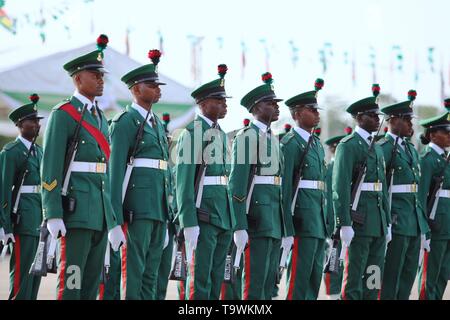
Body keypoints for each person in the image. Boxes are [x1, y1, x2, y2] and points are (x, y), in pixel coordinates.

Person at [40, 34, 125, 300]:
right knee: (73, 280)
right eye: (94, 75)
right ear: (78, 78)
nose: (101, 80)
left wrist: (112, 221)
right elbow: (51, 167)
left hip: (99, 214)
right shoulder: (63, 114)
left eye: (101, 75)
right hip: (76, 214)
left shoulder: (99, 117)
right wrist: (52, 211)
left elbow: (106, 174)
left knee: (91, 284)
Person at [175, 64, 235, 300]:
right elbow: (184, 182)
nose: (224, 105)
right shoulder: (192, 133)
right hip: (203, 215)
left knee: (215, 278)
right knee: (199, 279)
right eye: (219, 100)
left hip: (222, 215)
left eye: (224, 100)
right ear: (203, 103)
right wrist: (188, 221)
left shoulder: (220, 133)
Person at [228, 72, 286, 300]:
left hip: (273, 220)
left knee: (267, 285)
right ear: (256, 107)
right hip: (257, 219)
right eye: (271, 103)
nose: (276, 107)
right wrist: (239, 225)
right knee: (253, 284)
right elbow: (237, 184)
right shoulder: (246, 137)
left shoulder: (274, 138)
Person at [332, 84, 390, 300]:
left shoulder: (376, 146)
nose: (377, 119)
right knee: (354, 278)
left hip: (378, 223)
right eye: (373, 115)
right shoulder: (348, 146)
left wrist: (387, 221)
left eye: (378, 115)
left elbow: (382, 188)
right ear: (359, 117)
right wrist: (344, 223)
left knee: (373, 279)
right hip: (359, 222)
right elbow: (340, 188)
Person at [280, 79, 329, 300]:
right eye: (312, 110)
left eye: (317, 110)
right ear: (297, 114)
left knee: (313, 278)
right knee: (299, 279)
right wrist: (287, 226)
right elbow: (285, 188)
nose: (317, 115)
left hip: (317, 219)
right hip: (301, 219)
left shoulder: (317, 143)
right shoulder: (289, 144)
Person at [378, 90, 429, 300]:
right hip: (396, 219)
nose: (411, 124)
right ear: (392, 121)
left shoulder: (410, 149)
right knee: (391, 274)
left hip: (413, 220)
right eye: (407, 120)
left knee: (408, 275)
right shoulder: (383, 147)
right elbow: (381, 188)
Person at [0, 94, 44, 299]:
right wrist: (5, 225)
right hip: (22, 219)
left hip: (38, 219)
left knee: (36, 274)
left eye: (38, 121)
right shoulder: (11, 152)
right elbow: (3, 189)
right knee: (21, 275)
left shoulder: (40, 152)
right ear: (19, 124)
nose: (37, 125)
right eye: (32, 121)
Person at [417, 104, 450, 300]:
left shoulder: (446, 158)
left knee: (444, 273)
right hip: (435, 223)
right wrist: (424, 228)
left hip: (448, 224)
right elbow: (421, 197)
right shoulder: (427, 160)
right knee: (430, 275)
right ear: (432, 135)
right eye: (446, 131)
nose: (449, 135)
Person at [322, 126, 352, 299]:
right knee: (333, 259)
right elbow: (328, 198)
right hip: (334, 222)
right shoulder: (331, 168)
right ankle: (333, 294)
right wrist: (329, 224)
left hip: (347, 219)